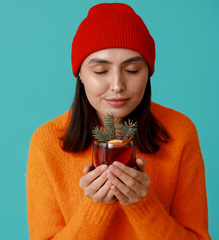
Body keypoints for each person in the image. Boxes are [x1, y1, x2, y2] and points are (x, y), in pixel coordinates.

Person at [26, 3, 210, 240]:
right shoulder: (48, 141)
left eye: (132, 70)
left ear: (148, 72)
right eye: (101, 71)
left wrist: (141, 203)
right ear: (80, 73)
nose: (117, 85)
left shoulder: (179, 131)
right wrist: (97, 204)